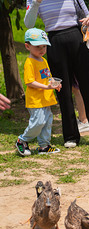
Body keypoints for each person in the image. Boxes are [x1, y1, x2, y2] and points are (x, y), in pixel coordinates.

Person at [24, 0, 89, 149]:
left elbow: (88, 15)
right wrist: (35, 3)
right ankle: (71, 136)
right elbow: (29, 23)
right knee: (63, 90)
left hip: (77, 38)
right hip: (54, 41)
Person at [16, 28, 61, 156]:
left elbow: (48, 77)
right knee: (38, 122)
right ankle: (22, 140)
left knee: (47, 122)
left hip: (46, 99)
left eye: (44, 46)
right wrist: (45, 87)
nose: (42, 50)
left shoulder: (44, 61)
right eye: (38, 47)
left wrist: (54, 84)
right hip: (36, 100)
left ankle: (44, 146)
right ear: (27, 46)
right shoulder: (29, 62)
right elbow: (29, 82)